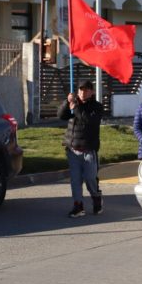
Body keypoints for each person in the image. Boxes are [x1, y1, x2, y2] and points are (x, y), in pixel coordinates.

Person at [57, 80, 103, 218]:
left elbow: (88, 121)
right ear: (77, 91)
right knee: (75, 180)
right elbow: (61, 115)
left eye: (87, 90)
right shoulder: (74, 104)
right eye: (81, 89)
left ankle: (96, 197)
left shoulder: (97, 107)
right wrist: (67, 102)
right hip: (73, 149)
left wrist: (76, 108)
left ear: (92, 92)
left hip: (88, 150)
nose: (83, 92)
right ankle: (78, 206)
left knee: (90, 178)